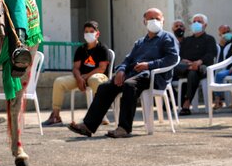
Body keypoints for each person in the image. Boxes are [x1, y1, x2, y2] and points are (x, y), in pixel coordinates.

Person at [67, 8, 177, 138]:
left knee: (129, 86)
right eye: (150, 19)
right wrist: (121, 70)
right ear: (144, 21)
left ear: (163, 20)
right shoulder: (140, 42)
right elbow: (128, 59)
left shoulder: (167, 38)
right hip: (133, 75)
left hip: (153, 76)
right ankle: (88, 126)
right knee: (105, 87)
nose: (154, 21)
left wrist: (148, 65)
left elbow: (172, 58)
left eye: (157, 18)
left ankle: (124, 128)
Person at [42, 21, 110, 126]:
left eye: (91, 31)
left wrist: (86, 76)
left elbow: (102, 68)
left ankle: (99, 115)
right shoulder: (81, 49)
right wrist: (78, 78)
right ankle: (55, 116)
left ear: (97, 34)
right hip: (81, 78)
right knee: (59, 82)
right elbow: (76, 68)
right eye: (86, 32)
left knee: (95, 80)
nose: (88, 34)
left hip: (98, 77)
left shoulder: (102, 49)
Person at [175, 13, 217, 115]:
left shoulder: (209, 39)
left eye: (199, 21)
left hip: (202, 68)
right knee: (177, 66)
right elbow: (181, 55)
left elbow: (211, 54)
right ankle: (191, 68)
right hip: (186, 67)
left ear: (205, 25)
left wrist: (199, 62)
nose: (196, 23)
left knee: (193, 72)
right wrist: (187, 62)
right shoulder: (187, 40)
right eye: (194, 22)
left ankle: (186, 104)